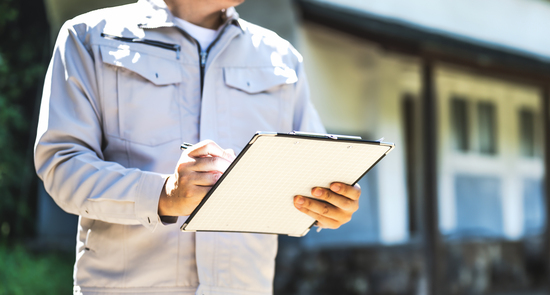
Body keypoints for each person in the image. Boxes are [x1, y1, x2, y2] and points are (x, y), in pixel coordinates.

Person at [34, 0, 361, 294]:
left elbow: (317, 171)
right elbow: (62, 165)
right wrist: (163, 195)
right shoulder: (87, 37)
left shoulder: (282, 57)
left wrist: (330, 202)